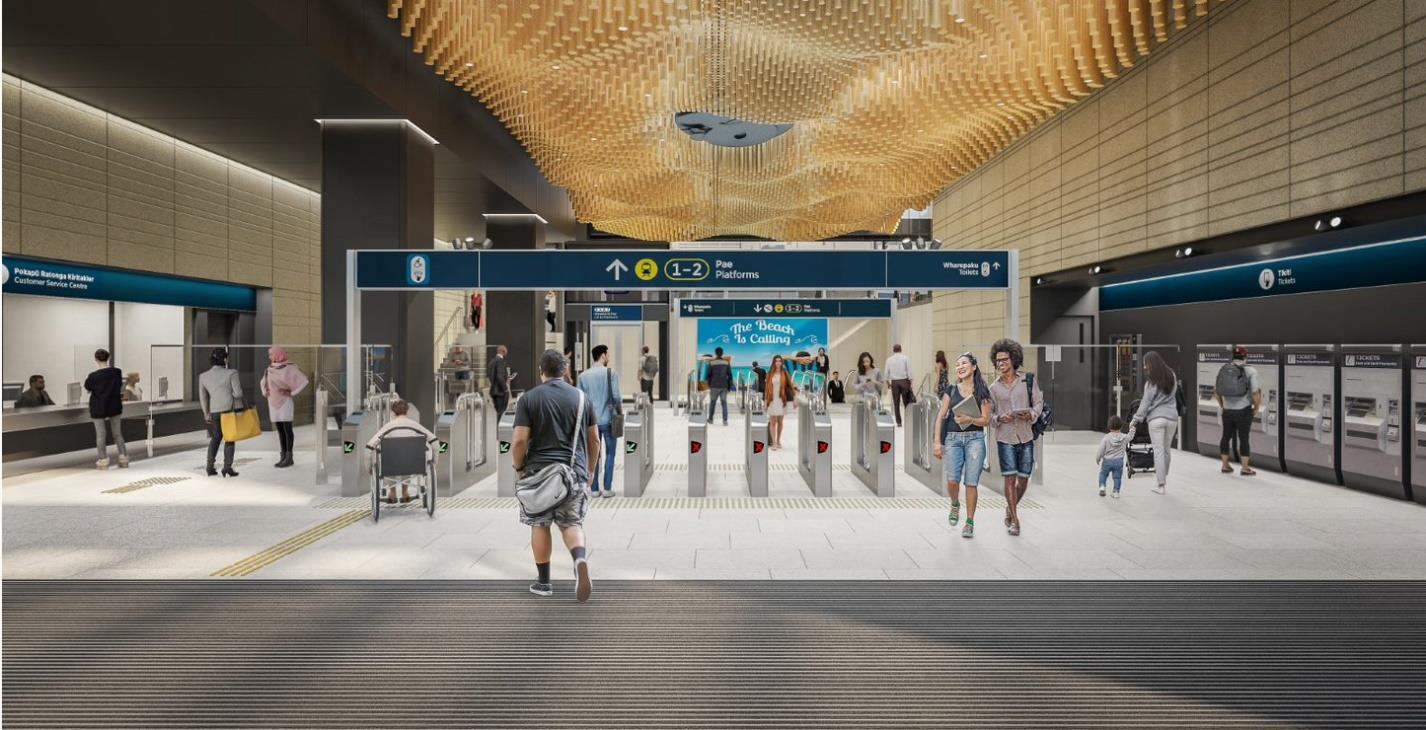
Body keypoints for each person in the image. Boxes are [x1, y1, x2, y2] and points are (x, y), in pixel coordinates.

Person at [512, 350, 596, 602]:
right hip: (573, 472)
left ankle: (544, 583)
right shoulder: (582, 398)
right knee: (571, 523)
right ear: (565, 370)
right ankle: (579, 559)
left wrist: (519, 468)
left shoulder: (529, 399)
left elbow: (519, 441)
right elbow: (594, 440)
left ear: (541, 371)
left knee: (540, 524)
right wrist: (590, 470)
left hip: (538, 473)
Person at [933, 352, 992, 538]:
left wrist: (969, 419)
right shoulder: (951, 390)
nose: (960, 367)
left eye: (964, 363)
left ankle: (969, 522)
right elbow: (940, 416)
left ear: (974, 367)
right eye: (958, 364)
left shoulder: (983, 391)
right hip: (953, 439)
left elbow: (986, 420)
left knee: (971, 482)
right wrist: (937, 442)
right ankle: (955, 504)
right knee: (952, 481)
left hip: (975, 439)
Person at [988, 339, 1042, 536]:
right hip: (1005, 438)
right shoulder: (993, 388)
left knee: (1024, 479)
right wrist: (999, 418)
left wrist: (1032, 415)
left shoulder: (1028, 380)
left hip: (1025, 436)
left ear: (1013, 359)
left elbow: (1038, 402)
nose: (1001, 363)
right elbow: (989, 415)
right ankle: (1015, 520)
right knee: (1009, 478)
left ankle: (1009, 509)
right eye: (998, 360)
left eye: (1004, 359)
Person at [365, 399, 439, 503]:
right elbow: (435, 441)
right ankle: (405, 492)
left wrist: (369, 467)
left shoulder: (388, 426)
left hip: (391, 465)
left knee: (389, 458)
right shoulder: (414, 425)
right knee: (408, 457)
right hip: (412, 464)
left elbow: (369, 446)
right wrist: (434, 461)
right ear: (407, 411)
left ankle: (393, 493)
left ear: (393, 412)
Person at [1132, 350, 1181, 495]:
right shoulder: (1172, 376)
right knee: (1166, 450)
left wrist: (1136, 419)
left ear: (1151, 364)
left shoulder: (1151, 383)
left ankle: (1161, 484)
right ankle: (1163, 476)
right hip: (1172, 418)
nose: (1144, 367)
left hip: (1156, 419)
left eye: (1145, 364)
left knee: (1158, 451)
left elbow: (1145, 403)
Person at [577, 344, 622, 498]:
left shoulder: (583, 376)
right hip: (609, 420)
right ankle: (607, 488)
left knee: (593, 454)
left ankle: (594, 489)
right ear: (602, 355)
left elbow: (580, 400)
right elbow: (616, 397)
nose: (608, 357)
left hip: (591, 422)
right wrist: (620, 412)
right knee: (610, 453)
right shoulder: (611, 373)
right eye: (607, 354)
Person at [1215, 345, 1261, 477]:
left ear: (1233, 356)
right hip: (1243, 410)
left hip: (1227, 410)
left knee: (1226, 436)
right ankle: (1245, 468)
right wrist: (1256, 408)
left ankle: (1225, 466)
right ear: (1245, 356)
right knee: (1244, 438)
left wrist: (1222, 405)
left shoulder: (1224, 369)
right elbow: (1255, 393)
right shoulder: (1251, 371)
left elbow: (1216, 392)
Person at [261, 346, 309, 469]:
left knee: (287, 429)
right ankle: (283, 456)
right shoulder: (269, 369)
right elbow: (263, 382)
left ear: (278, 354)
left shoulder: (289, 367)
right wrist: (265, 391)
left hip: (285, 403)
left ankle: (289, 457)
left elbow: (303, 380)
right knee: (280, 430)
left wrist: (291, 392)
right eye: (269, 354)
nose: (270, 357)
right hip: (273, 402)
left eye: (271, 354)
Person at [199, 348, 243, 478]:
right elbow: (238, 393)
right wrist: (230, 393)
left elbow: (203, 397)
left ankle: (210, 466)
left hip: (214, 410)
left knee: (216, 438)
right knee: (229, 438)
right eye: (227, 357)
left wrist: (206, 413)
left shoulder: (203, 376)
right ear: (224, 359)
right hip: (228, 410)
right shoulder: (232, 373)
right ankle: (227, 467)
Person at [84, 349, 128, 470]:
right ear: (109, 358)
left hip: (98, 407)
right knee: (117, 433)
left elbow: (88, 387)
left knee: (100, 435)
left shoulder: (93, 376)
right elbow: (119, 386)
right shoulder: (117, 372)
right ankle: (123, 457)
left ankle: (103, 460)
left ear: (96, 359)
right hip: (114, 405)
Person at [764, 354, 794, 450]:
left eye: (779, 361)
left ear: (782, 363)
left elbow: (790, 386)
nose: (778, 363)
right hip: (772, 400)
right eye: (776, 361)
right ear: (774, 362)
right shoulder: (769, 374)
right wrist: (765, 401)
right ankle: (774, 443)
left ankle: (778, 440)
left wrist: (795, 398)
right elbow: (766, 389)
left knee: (780, 422)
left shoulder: (785, 373)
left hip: (782, 400)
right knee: (773, 422)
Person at [1096, 416, 1130, 498]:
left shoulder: (1106, 437)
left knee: (1103, 474)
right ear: (1121, 426)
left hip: (1107, 461)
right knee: (1117, 477)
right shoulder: (1124, 437)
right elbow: (1130, 437)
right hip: (1119, 461)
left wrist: (1098, 458)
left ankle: (1102, 487)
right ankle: (1116, 492)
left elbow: (1101, 449)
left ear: (1109, 426)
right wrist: (1132, 430)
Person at [885, 344, 914, 426]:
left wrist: (888, 383)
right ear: (901, 349)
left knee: (896, 403)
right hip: (904, 381)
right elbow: (909, 371)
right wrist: (911, 383)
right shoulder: (906, 358)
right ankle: (908, 421)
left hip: (894, 382)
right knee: (906, 403)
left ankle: (899, 422)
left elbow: (886, 373)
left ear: (893, 350)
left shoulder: (889, 360)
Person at [705, 347, 733, 426]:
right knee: (724, 403)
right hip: (724, 386)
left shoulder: (712, 363)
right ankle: (725, 420)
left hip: (714, 386)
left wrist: (709, 384)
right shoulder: (726, 363)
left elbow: (709, 375)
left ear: (716, 353)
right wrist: (729, 386)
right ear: (722, 353)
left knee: (712, 403)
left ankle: (710, 419)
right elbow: (730, 375)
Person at [489, 345, 511, 417]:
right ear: (503, 352)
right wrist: (505, 389)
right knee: (501, 413)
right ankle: (498, 424)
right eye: (506, 352)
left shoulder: (492, 361)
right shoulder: (500, 361)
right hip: (500, 392)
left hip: (494, 391)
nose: (506, 354)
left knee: (498, 413)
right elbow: (500, 377)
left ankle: (497, 424)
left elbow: (491, 376)